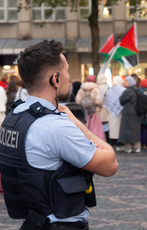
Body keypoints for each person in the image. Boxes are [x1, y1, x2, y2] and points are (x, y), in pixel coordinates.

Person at [0, 40, 118, 230]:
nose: (69, 78)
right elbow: (110, 165)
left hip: (31, 222)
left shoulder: (15, 116)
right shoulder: (55, 126)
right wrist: (78, 124)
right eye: (67, 72)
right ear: (55, 79)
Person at [76, 75, 105, 141]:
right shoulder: (96, 89)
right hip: (94, 113)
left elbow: (77, 101)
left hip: (84, 113)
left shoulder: (81, 89)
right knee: (96, 131)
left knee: (85, 128)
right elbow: (98, 101)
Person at [118, 76, 142, 153]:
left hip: (128, 111)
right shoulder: (137, 90)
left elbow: (121, 100)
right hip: (137, 111)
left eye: (126, 81)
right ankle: (137, 146)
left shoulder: (128, 91)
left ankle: (128, 147)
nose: (124, 82)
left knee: (127, 129)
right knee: (135, 129)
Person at [106, 76, 126, 151]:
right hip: (120, 111)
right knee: (119, 128)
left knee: (112, 128)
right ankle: (119, 143)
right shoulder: (123, 90)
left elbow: (107, 101)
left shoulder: (110, 90)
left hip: (111, 112)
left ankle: (112, 143)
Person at [97, 74, 110, 142]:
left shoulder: (96, 86)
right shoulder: (106, 87)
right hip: (105, 108)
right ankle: (106, 140)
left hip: (97, 109)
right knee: (106, 125)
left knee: (99, 125)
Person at [140, 78, 147, 148]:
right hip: (146, 112)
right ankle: (144, 142)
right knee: (145, 128)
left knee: (140, 128)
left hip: (140, 113)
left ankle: (140, 142)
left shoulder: (139, 91)